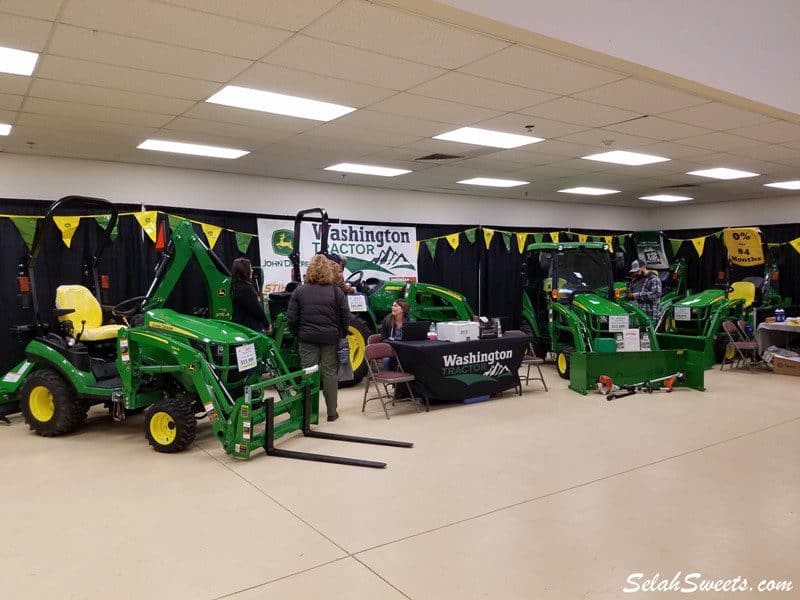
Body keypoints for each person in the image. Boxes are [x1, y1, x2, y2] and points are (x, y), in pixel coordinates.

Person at [287, 254, 350, 422]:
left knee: (309, 375)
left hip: (307, 339)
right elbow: (345, 317)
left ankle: (309, 414)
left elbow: (291, 318)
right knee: (329, 375)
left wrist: (296, 334)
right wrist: (342, 334)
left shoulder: (299, 291)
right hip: (330, 339)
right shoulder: (337, 292)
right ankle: (331, 413)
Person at [230, 258, 271, 333]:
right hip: (251, 330)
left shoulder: (234, 286)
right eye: (250, 268)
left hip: (240, 327)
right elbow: (257, 310)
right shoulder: (245, 289)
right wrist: (267, 325)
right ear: (244, 271)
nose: (252, 270)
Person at [380, 300, 413, 371]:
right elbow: (383, 339)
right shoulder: (387, 321)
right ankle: (391, 379)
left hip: (405, 349)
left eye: (395, 306)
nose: (392, 307)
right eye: (392, 306)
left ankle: (407, 380)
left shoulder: (410, 322)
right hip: (391, 350)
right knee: (386, 360)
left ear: (403, 309)